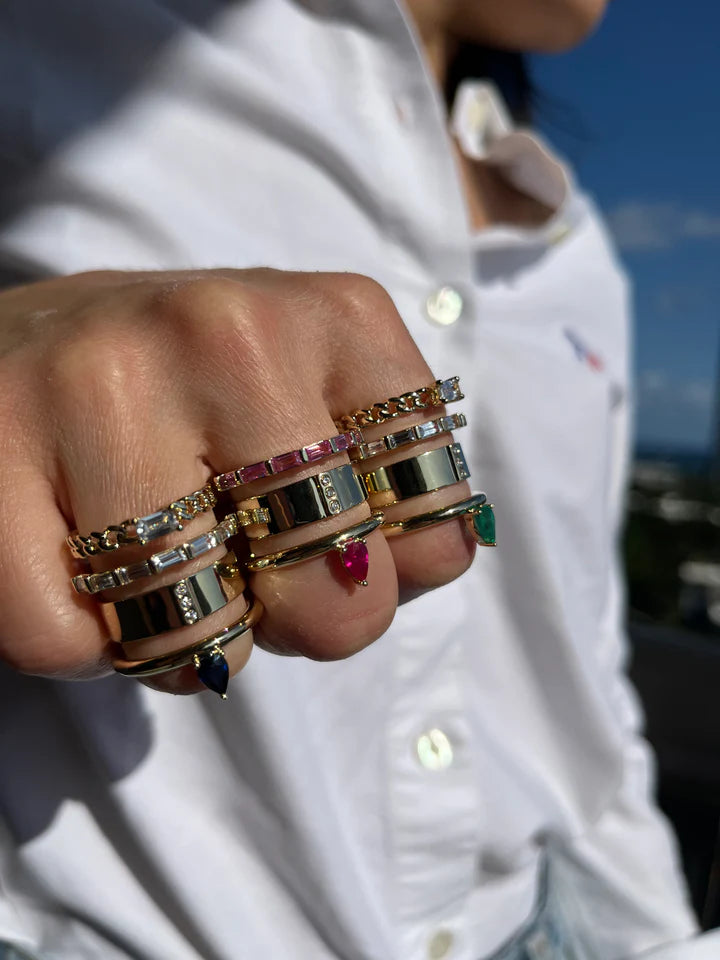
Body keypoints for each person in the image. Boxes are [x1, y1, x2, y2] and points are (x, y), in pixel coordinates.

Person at [0, 1, 715, 957]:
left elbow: (581, 676)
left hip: (550, 922)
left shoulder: (573, 240)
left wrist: (656, 928)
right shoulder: (60, 50)